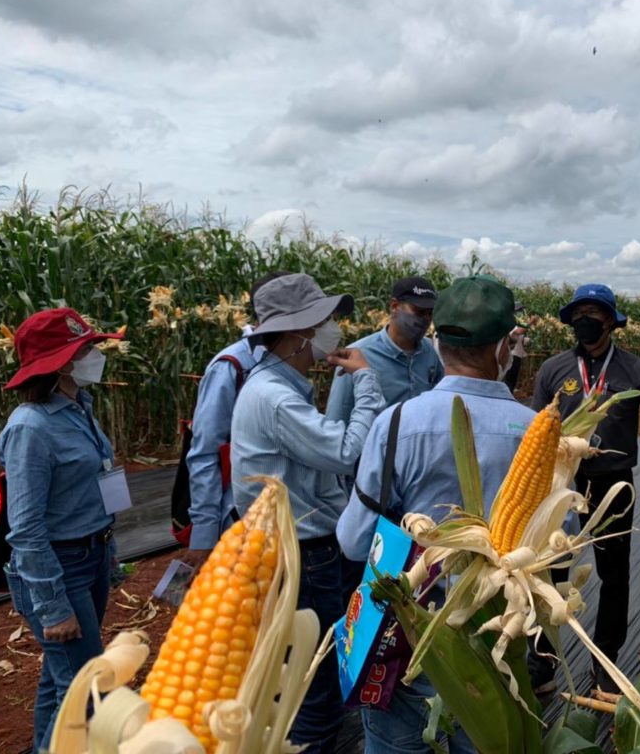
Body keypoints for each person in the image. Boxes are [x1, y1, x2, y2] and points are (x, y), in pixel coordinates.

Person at [337, 275, 532, 754]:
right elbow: (558, 541)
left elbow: (355, 540)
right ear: (508, 345)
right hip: (499, 645)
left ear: (436, 339)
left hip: (409, 641)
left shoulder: (397, 422)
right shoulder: (535, 432)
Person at [230, 272, 385, 753]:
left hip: (296, 546)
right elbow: (343, 451)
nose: (334, 329)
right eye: (325, 321)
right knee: (316, 686)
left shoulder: (278, 384)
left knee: (305, 674)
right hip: (304, 553)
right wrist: (366, 382)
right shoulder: (275, 398)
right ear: (299, 334)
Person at [530, 283, 640, 693]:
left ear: (610, 320)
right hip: (561, 484)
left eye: (593, 313)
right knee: (548, 574)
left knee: (614, 576)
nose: (584, 320)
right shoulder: (553, 370)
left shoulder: (636, 371)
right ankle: (542, 664)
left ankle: (605, 661)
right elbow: (534, 427)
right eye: (578, 313)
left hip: (613, 484)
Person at [0, 308, 124, 752]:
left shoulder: (78, 408)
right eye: (89, 348)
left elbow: (99, 486)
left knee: (60, 680)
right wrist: (52, 606)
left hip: (90, 556)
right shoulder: (31, 428)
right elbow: (26, 527)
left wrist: (109, 552)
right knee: (85, 693)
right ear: (66, 361)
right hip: (58, 568)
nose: (96, 355)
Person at [180, 271, 286, 569]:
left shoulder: (287, 362)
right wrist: (204, 535)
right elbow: (204, 453)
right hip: (238, 520)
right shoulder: (232, 366)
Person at [325, 275, 443, 488]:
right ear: (394, 306)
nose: (424, 320)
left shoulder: (430, 353)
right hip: (371, 474)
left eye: (429, 313)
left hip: (418, 470)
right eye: (418, 311)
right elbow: (337, 422)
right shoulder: (357, 355)